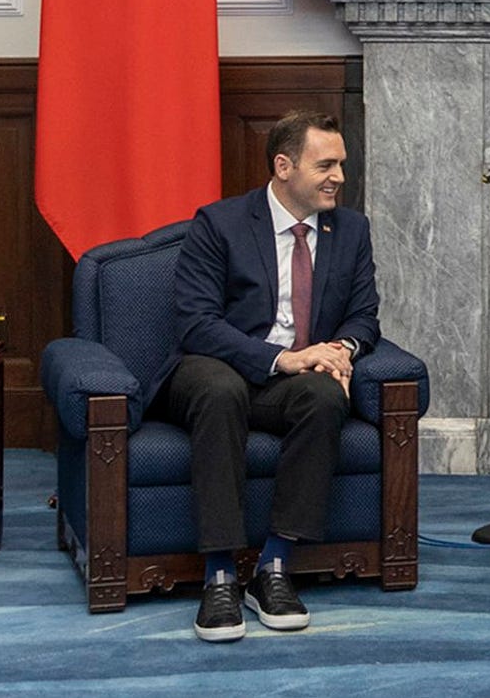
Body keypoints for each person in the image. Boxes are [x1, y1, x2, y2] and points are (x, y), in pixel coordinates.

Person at [147, 111, 379, 642]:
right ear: (283, 166)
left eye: (341, 164)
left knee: (324, 396)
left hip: (291, 383)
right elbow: (196, 323)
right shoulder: (220, 223)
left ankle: (273, 566)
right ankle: (220, 575)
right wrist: (282, 358)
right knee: (221, 389)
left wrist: (340, 350)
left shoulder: (351, 230)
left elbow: (364, 316)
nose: (338, 177)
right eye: (325, 165)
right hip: (214, 368)